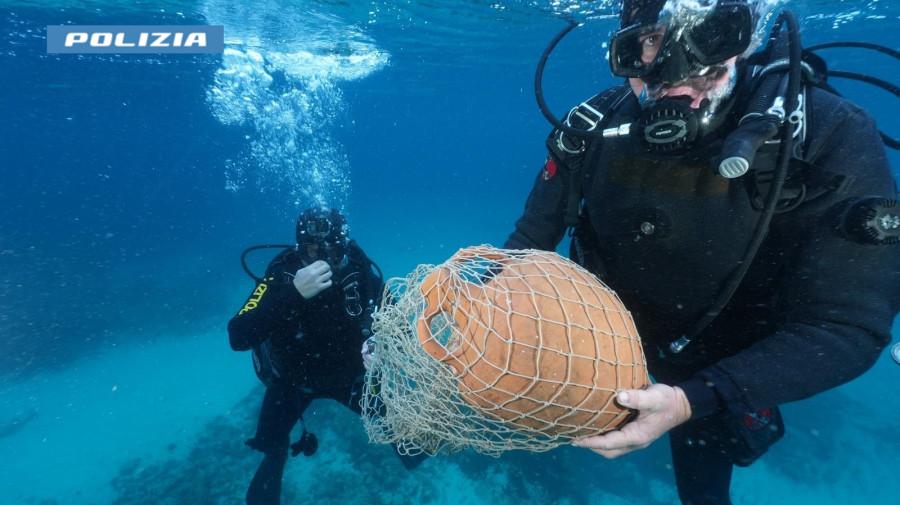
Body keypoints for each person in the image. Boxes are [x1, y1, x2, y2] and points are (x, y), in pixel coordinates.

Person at [506, 0, 899, 503]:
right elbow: (524, 250)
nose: (676, 69)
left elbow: (848, 326)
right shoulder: (592, 127)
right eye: (649, 42)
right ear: (625, 45)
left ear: (749, 37)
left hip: (721, 364)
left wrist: (697, 399)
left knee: (703, 491)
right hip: (602, 338)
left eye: (711, 36)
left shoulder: (824, 133)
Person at [228, 207, 422, 505]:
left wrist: (381, 345)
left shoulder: (360, 272)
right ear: (298, 247)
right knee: (271, 444)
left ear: (344, 245)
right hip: (292, 381)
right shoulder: (281, 274)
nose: (322, 259)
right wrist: (292, 292)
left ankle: (420, 477)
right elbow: (238, 335)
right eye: (312, 250)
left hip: (351, 378)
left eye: (332, 249)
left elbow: (400, 329)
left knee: (408, 436)